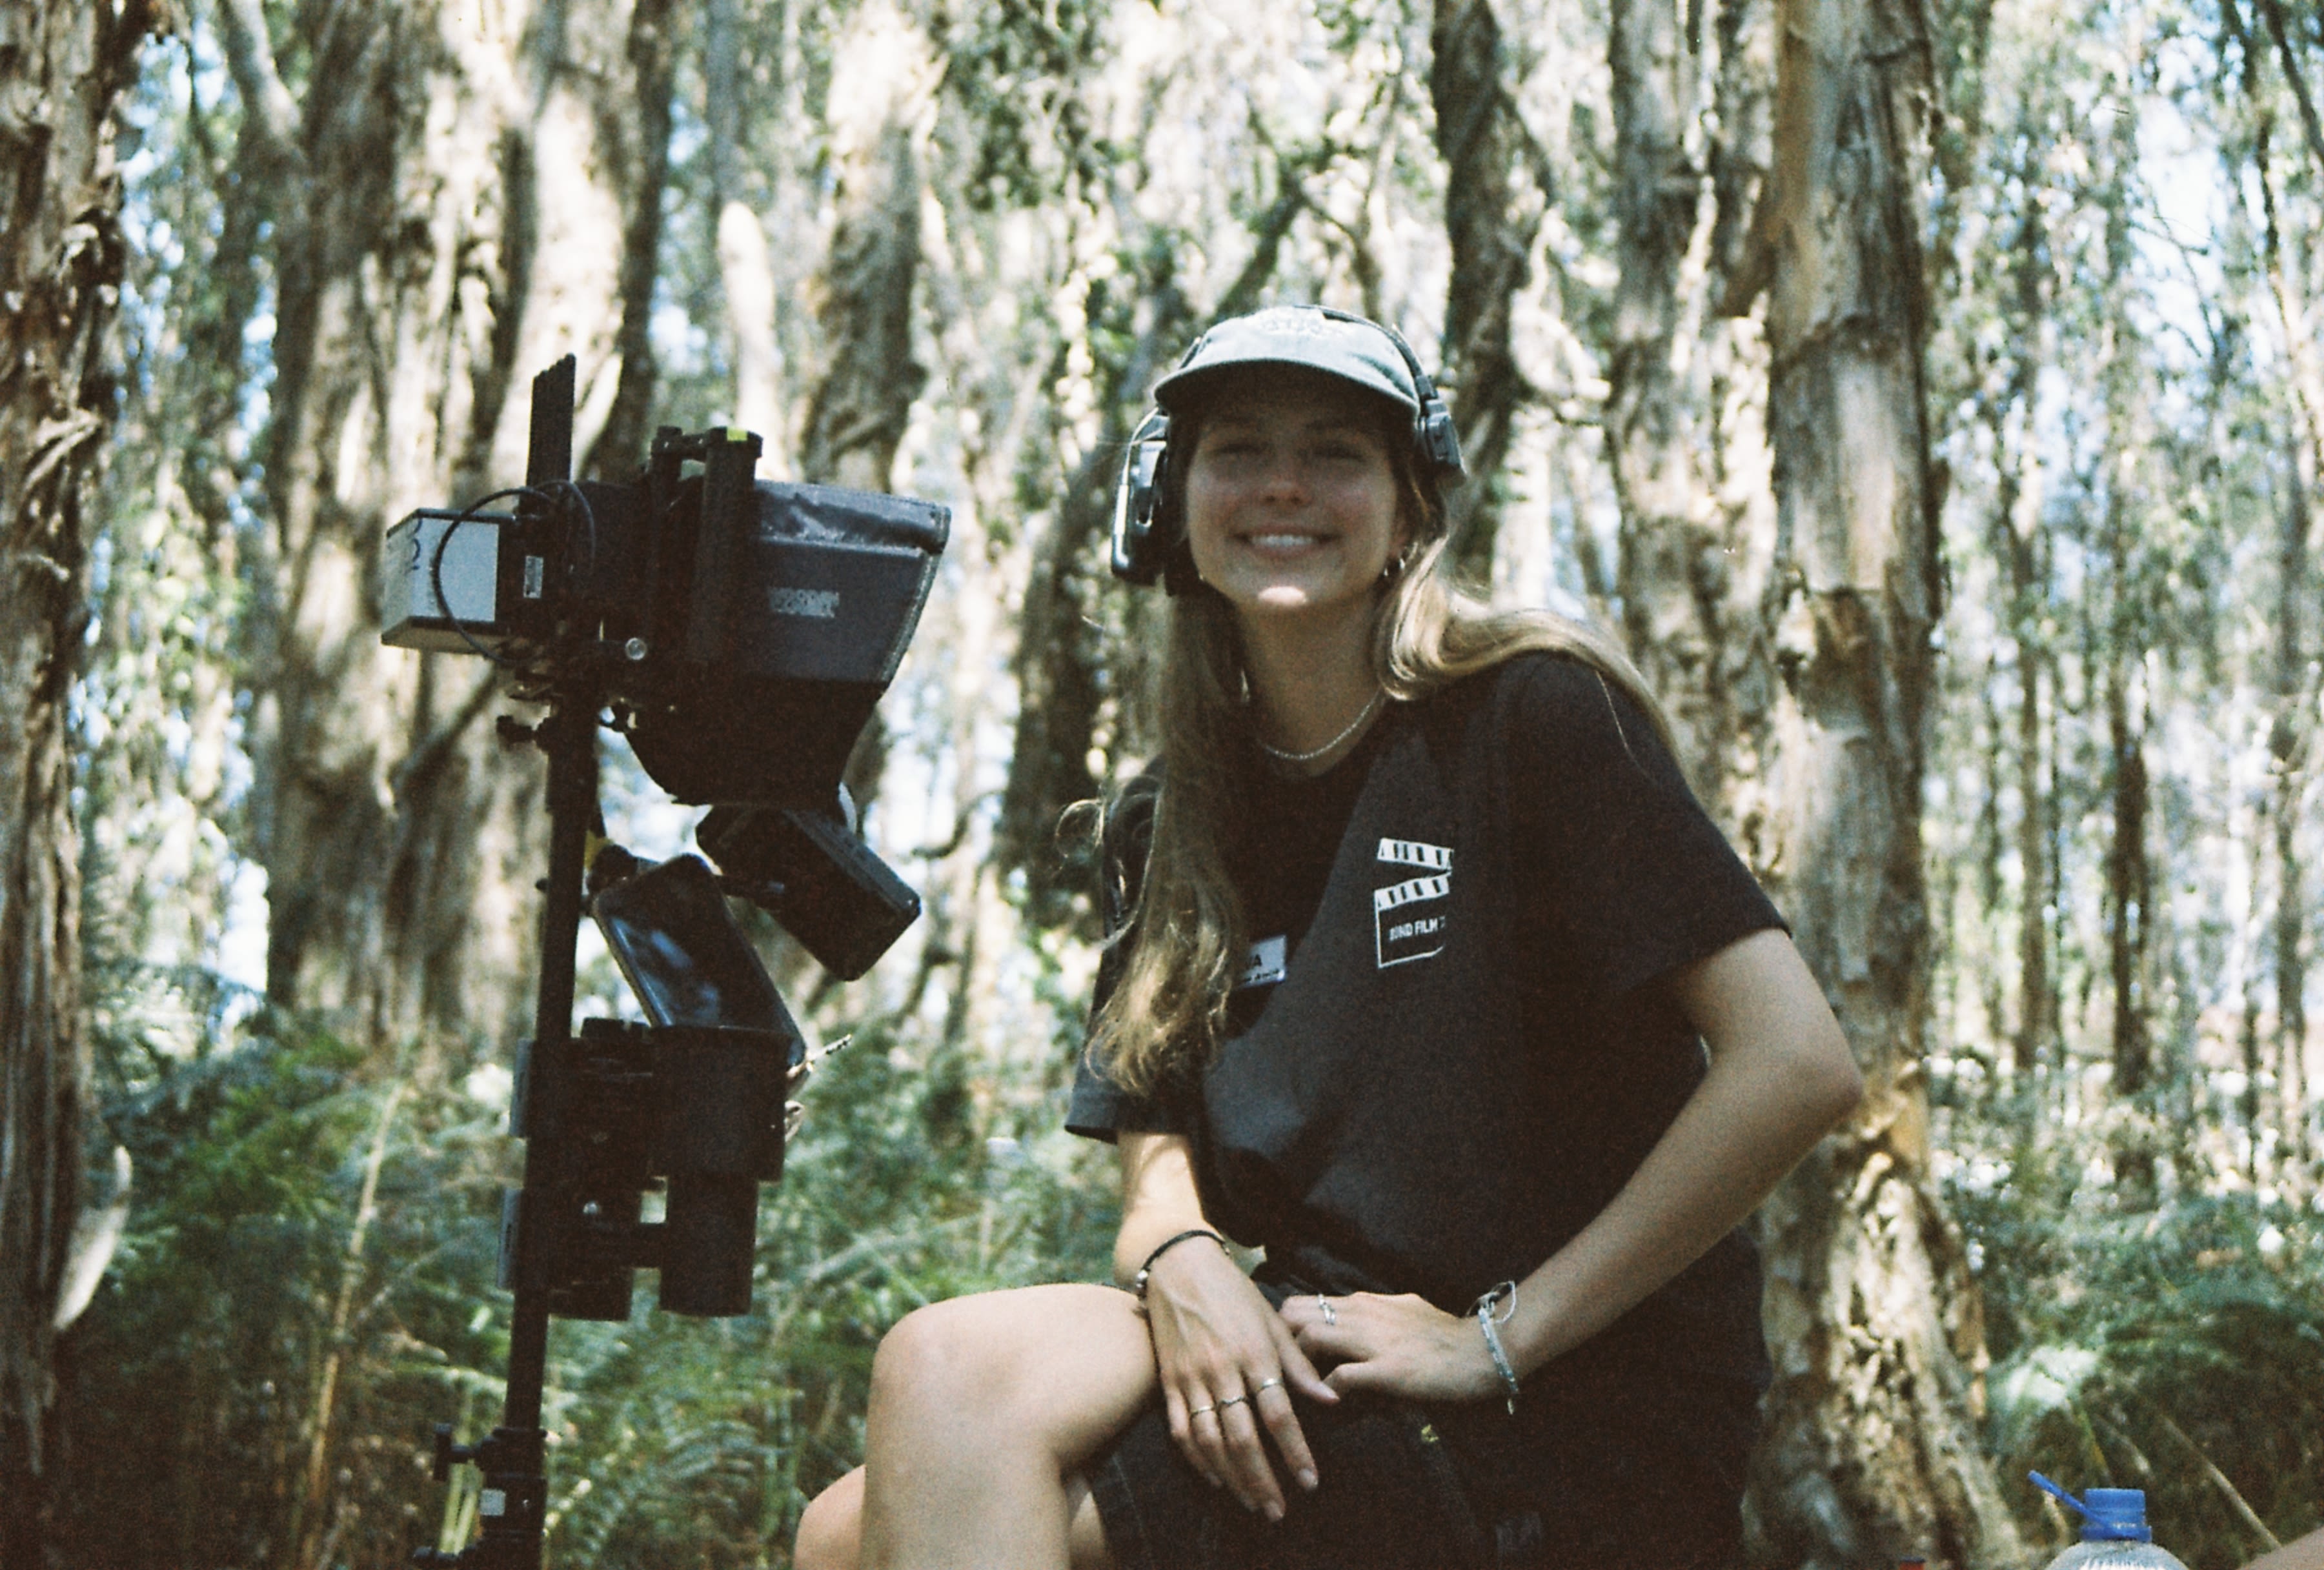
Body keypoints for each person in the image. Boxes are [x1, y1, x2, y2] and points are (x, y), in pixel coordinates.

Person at [793, 304, 1864, 1570]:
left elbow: (1797, 1062)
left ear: (1410, 508)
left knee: (902, 1509)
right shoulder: (1167, 817)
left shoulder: (1532, 714)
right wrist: (1186, 1257)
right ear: (1170, 507)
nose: (1284, 485)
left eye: (1337, 452)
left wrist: (1492, 1338)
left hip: (1562, 1402)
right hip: (1325, 1356)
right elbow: (1154, 1164)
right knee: (856, 1498)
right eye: (1238, 449)